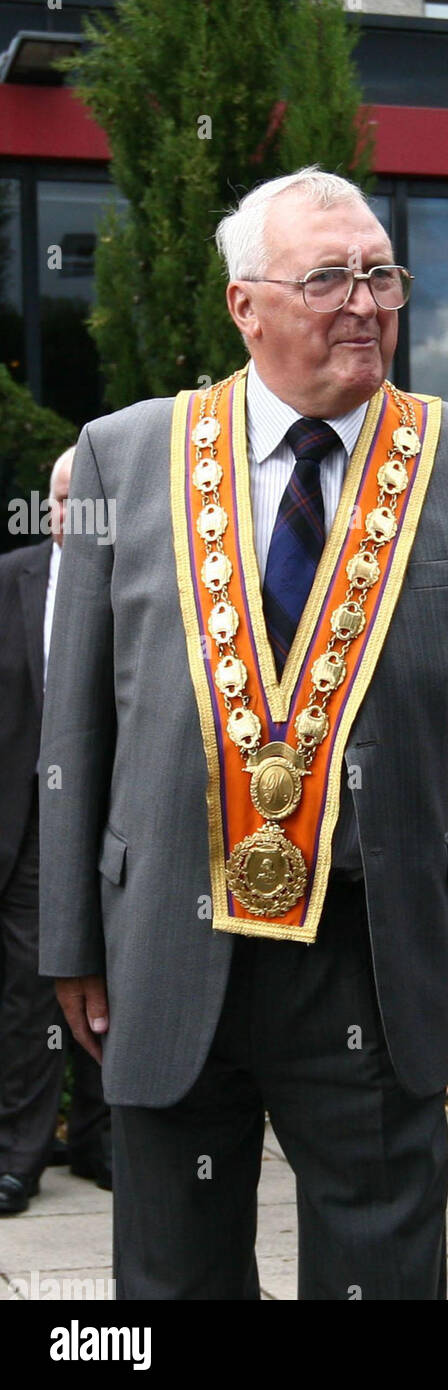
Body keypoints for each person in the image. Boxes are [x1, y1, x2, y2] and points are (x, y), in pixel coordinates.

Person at [39, 166, 448, 1297]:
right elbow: (77, 719)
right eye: (328, 278)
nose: (363, 303)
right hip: (169, 939)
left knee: (381, 1268)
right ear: (244, 305)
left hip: (376, 951)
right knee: (172, 1275)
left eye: (380, 275)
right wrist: (71, 937)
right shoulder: (126, 453)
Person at [0, 451, 111, 1216]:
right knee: (27, 995)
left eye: (84, 500)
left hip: (115, 820)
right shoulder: (9, 581)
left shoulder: (140, 579)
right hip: (29, 823)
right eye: (61, 499)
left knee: (118, 984)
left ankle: (105, 1144)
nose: (69, 514)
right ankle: (19, 1154)